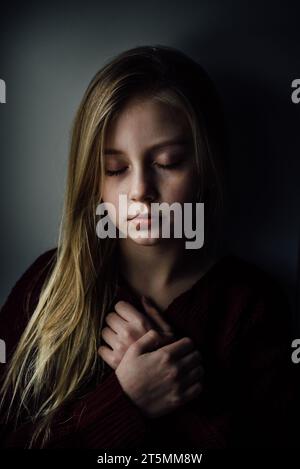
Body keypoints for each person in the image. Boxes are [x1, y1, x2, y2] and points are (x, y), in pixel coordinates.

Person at [0, 45, 295, 449]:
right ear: (92, 179)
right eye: (115, 169)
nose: (140, 192)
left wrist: (187, 398)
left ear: (206, 167)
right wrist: (127, 401)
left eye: (168, 162)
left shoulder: (251, 306)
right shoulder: (46, 289)